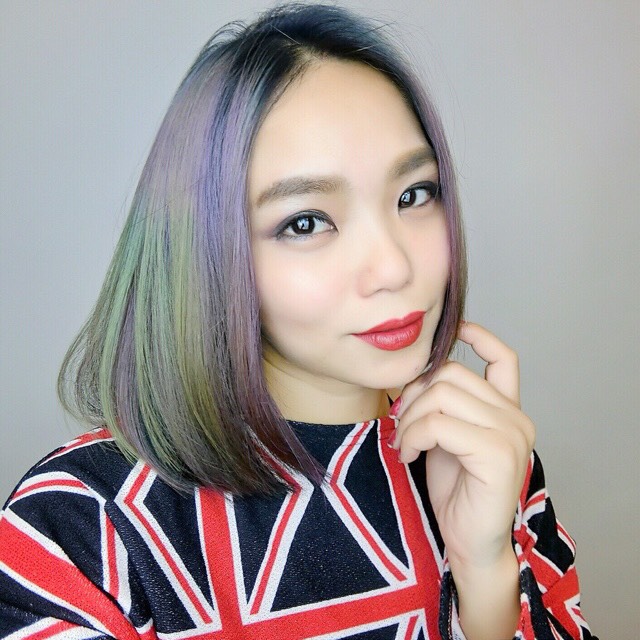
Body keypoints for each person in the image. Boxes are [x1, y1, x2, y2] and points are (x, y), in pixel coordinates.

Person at [0, 4, 597, 639]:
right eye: (306, 222)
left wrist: (484, 573)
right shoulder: (76, 529)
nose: (393, 267)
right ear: (206, 252)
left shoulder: (483, 454)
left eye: (414, 194)